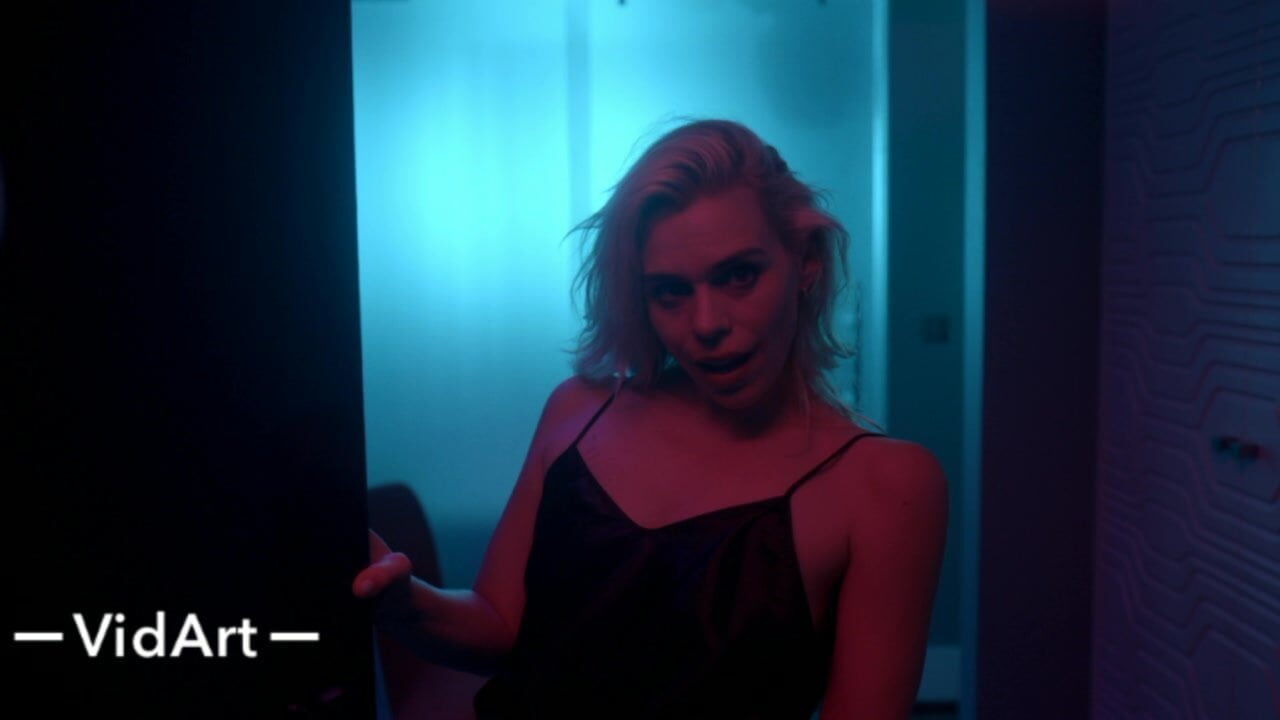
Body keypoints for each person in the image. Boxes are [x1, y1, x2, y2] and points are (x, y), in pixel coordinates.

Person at [353, 119, 948, 719]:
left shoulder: (885, 486)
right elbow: (502, 627)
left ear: (807, 263)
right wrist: (404, 601)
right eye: (670, 292)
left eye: (739, 275)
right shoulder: (579, 410)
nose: (706, 323)